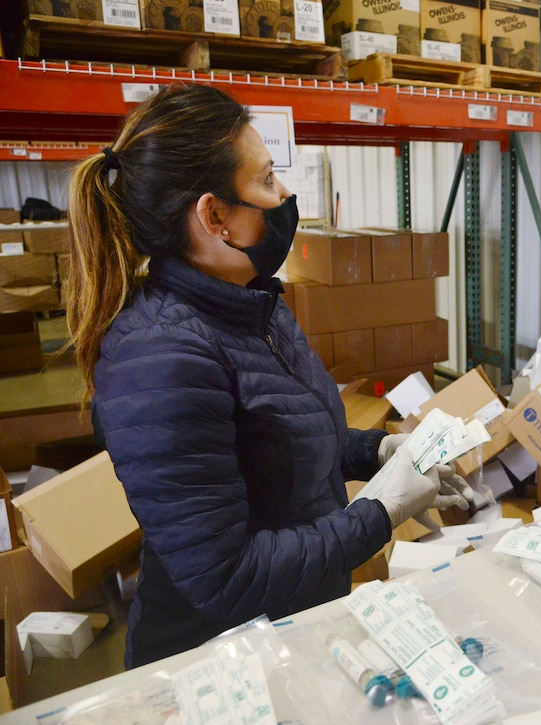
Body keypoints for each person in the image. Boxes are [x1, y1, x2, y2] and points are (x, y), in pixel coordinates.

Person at [65, 83, 469, 668]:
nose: (285, 195)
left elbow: (279, 439)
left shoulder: (253, 302)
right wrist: (380, 513)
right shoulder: (160, 357)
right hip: (218, 666)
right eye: (266, 181)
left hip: (293, 631)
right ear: (213, 216)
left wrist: (377, 451)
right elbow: (224, 576)